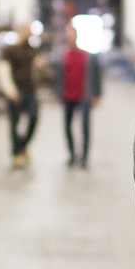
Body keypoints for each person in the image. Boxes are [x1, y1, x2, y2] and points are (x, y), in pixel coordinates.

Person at [57, 25, 101, 168]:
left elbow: (96, 75)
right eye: (68, 34)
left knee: (85, 128)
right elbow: (58, 77)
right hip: (68, 96)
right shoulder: (62, 56)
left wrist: (97, 94)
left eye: (72, 34)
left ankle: (84, 158)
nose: (70, 37)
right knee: (67, 127)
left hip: (84, 96)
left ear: (77, 36)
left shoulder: (87, 56)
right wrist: (57, 93)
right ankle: (72, 155)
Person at [0, 24, 40, 168]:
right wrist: (10, 90)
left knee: (33, 118)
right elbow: (2, 69)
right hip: (16, 91)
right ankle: (16, 153)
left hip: (30, 90)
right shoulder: (10, 49)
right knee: (14, 124)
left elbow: (36, 66)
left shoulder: (32, 49)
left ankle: (23, 146)